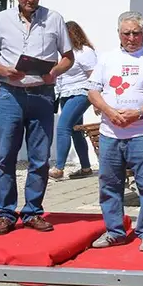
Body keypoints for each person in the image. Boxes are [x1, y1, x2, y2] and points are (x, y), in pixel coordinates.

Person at [0, 0, 74, 236]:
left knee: (40, 158)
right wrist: (5, 70)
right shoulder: (0, 20)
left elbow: (68, 57)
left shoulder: (54, 19)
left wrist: (54, 71)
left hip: (42, 94)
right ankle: (6, 214)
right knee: (5, 156)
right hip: (11, 94)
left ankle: (33, 212)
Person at [86, 11, 143, 252]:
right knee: (109, 186)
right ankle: (114, 231)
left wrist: (140, 112)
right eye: (126, 33)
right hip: (111, 134)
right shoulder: (107, 58)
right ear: (119, 34)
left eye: (136, 33)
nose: (131, 37)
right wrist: (108, 111)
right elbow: (93, 90)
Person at [50, 21, 97, 181]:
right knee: (76, 131)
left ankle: (59, 168)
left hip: (81, 93)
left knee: (63, 127)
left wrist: (97, 100)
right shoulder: (64, 53)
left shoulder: (85, 52)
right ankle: (86, 168)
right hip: (65, 94)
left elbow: (94, 76)